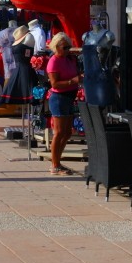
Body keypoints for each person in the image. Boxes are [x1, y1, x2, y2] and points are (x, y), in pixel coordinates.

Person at [46, 32, 82, 175]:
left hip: (69, 96)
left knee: (67, 132)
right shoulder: (54, 61)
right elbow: (55, 83)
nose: (68, 50)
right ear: (57, 47)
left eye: (69, 47)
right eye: (65, 47)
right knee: (59, 132)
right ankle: (55, 165)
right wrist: (72, 81)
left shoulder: (70, 59)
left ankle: (58, 162)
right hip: (59, 97)